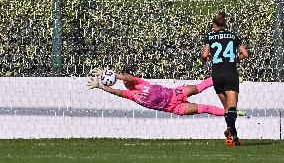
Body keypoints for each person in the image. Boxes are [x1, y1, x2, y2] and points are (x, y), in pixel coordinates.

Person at [87, 66, 243, 117]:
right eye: (125, 82)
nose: (126, 82)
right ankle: (232, 113)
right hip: (175, 108)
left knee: (199, 87)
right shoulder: (131, 95)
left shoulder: (139, 83)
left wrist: (112, 74)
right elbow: (116, 92)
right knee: (205, 108)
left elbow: (127, 77)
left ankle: (228, 77)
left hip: (175, 93)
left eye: (126, 80)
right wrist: (101, 86)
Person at [201, 12, 249, 146]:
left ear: (215, 25)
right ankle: (230, 130)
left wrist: (207, 59)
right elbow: (245, 53)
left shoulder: (210, 37)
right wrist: (235, 59)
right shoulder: (233, 36)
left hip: (217, 75)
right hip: (230, 73)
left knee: (226, 108)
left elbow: (204, 55)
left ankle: (233, 137)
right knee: (232, 107)